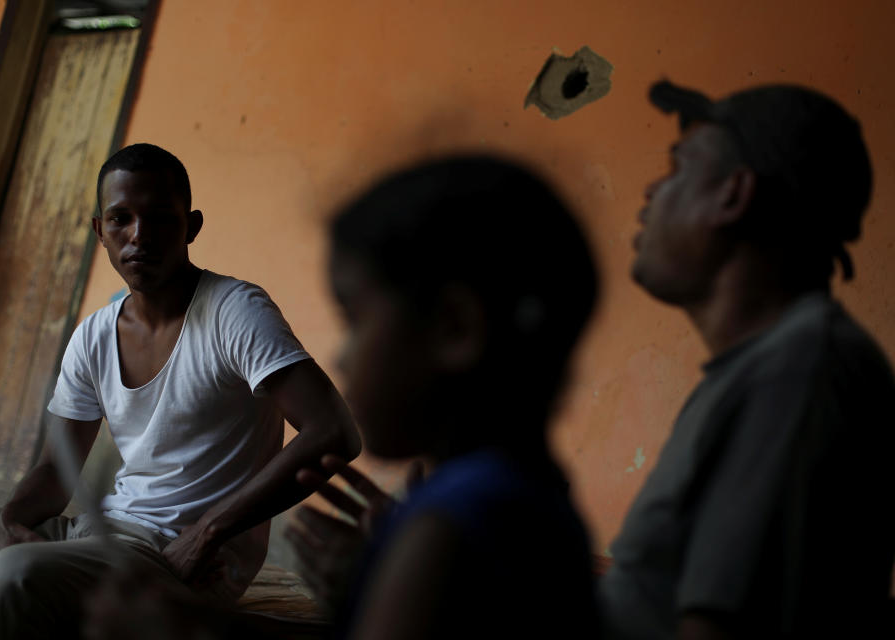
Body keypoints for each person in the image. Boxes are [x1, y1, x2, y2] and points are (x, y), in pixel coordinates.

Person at [0, 143, 361, 639]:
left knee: (12, 578)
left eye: (160, 218)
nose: (140, 236)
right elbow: (56, 468)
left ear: (192, 226)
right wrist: (8, 520)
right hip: (97, 536)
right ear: (100, 230)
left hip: (179, 555)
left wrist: (208, 532)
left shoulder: (233, 311)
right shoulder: (94, 334)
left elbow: (333, 431)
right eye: (121, 218)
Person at [598, 81, 895, 638]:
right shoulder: (760, 369)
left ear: (733, 195)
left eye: (676, 168)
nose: (651, 192)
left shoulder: (799, 368)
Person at [287, 155, 601, 639]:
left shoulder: (447, 527)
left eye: (354, 320)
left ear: (455, 328)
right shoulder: (530, 495)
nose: (342, 357)